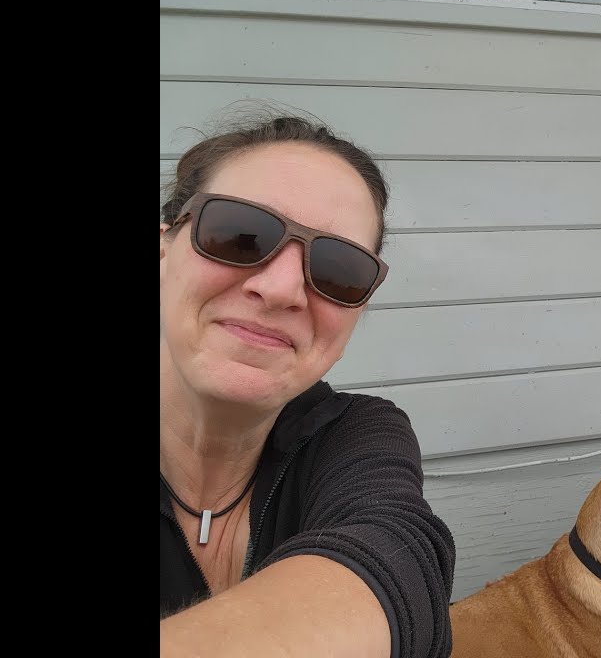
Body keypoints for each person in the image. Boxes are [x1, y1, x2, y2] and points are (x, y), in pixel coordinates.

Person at [159, 109, 456, 657]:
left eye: (339, 267)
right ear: (164, 247)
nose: (282, 290)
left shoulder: (354, 432)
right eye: (239, 234)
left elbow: (397, 567)